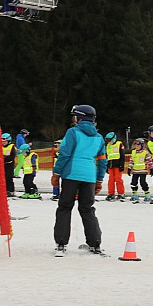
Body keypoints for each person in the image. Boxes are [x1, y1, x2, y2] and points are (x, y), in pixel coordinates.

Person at [51, 105, 107, 256]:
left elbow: (64, 154)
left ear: (78, 118)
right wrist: (99, 180)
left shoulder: (73, 132)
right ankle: (95, 244)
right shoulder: (99, 137)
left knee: (65, 207)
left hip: (71, 174)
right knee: (87, 209)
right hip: (89, 177)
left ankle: (61, 243)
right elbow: (102, 161)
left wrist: (56, 174)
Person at [104, 132, 126, 201]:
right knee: (111, 180)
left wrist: (122, 165)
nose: (108, 141)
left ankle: (121, 193)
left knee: (118, 179)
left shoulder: (119, 144)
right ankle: (111, 193)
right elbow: (107, 156)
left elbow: (122, 155)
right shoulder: (108, 146)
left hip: (117, 165)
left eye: (109, 140)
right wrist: (107, 166)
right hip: (110, 165)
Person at [0, 133, 16, 197]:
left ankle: (11, 190)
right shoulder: (0, 147)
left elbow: (12, 156)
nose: (3, 143)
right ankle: (4, 190)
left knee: (9, 177)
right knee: (3, 178)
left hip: (9, 165)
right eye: (2, 142)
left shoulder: (11, 146)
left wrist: (4, 158)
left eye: (5, 141)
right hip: (2, 165)